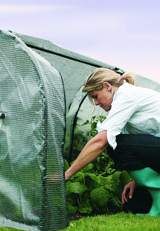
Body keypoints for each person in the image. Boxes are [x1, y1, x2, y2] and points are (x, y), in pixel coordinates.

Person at [65, 67, 160, 216]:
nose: (96, 103)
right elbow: (144, 147)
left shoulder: (126, 96)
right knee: (134, 206)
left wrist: (67, 174)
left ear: (107, 86)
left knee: (117, 145)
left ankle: (159, 203)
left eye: (96, 96)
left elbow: (100, 142)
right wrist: (137, 181)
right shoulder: (127, 98)